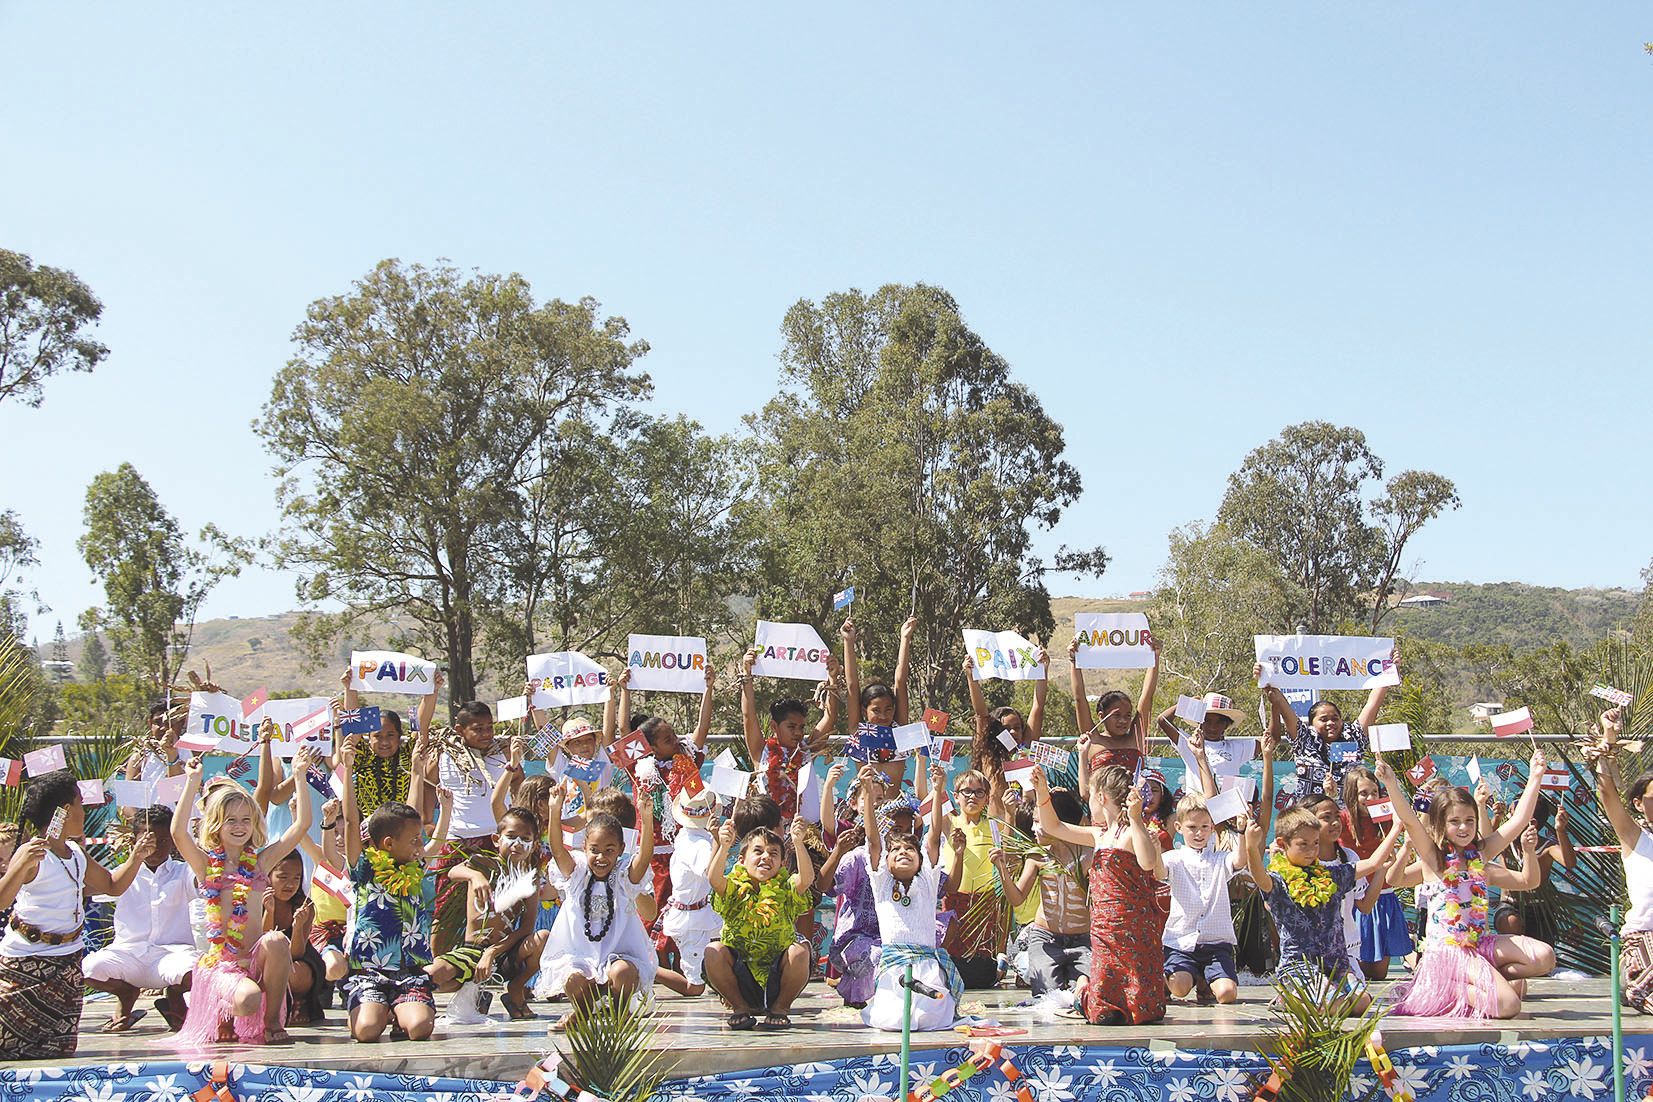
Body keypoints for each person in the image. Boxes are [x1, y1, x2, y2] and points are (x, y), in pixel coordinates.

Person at [1377, 749, 1554, 1019]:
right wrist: (1390, 783)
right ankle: (1449, 990)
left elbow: (1517, 822)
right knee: (1508, 1005)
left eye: (1469, 821)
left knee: (1545, 957)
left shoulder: (1482, 853)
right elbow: (1412, 823)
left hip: (1479, 943)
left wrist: (1536, 776)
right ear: (1440, 824)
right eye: (1455, 822)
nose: (1464, 828)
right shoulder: (1433, 858)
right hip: (1448, 952)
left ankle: (1486, 978)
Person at [171, 737, 317, 1046]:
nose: (240, 826)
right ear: (216, 825)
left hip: (256, 958)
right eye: (231, 821)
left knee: (277, 939)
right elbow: (178, 833)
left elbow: (301, 824)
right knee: (248, 999)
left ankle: (273, 1020)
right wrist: (192, 781)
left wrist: (301, 777)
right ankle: (221, 1008)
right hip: (224, 962)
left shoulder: (261, 862)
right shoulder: (206, 865)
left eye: (246, 820)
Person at [0, 771, 154, 1058]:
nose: (84, 811)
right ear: (67, 811)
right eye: (81, 804)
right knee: (7, 1045)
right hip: (27, 962)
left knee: (57, 1049)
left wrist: (136, 858)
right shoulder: (30, 851)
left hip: (67, 962)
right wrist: (22, 865)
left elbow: (112, 885)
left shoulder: (75, 852)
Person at [1033, 764, 1165, 1026]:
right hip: (1105, 926)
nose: (1089, 804)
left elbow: (1149, 863)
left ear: (1101, 798)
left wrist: (1137, 819)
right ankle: (1090, 993)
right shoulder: (1099, 835)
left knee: (1139, 996)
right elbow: (1054, 827)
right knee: (1103, 1010)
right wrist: (1041, 792)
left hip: (1133, 925)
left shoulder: (1129, 833)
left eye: (1091, 796)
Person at [536, 781, 657, 1030]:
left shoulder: (624, 875)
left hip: (619, 952)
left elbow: (644, 859)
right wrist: (554, 810)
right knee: (573, 980)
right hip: (582, 953)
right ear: (584, 847)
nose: (601, 857)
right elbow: (558, 851)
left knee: (622, 973)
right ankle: (583, 1012)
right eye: (595, 850)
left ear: (621, 849)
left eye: (609, 850)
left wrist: (647, 819)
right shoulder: (578, 873)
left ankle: (620, 1012)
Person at [83, 806, 197, 1032]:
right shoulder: (122, 872)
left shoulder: (184, 871)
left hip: (170, 956)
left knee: (197, 971)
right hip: (129, 955)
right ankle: (126, 993)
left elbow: (202, 882)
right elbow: (88, 888)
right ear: (134, 839)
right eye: (147, 839)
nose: (153, 847)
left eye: (162, 841)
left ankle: (174, 996)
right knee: (88, 969)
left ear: (173, 842)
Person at [1245, 805, 1367, 1013]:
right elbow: (1259, 877)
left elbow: (1371, 864)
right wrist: (1250, 847)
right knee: (1334, 1006)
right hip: (1299, 965)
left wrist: (1398, 830)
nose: (1311, 850)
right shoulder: (1279, 880)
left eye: (1316, 843)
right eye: (1303, 844)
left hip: (1334, 964)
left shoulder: (1328, 875)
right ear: (1283, 844)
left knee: (1361, 1003)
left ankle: (1318, 995)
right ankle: (1291, 997)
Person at [862, 763, 956, 1031]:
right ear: (886, 861)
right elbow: (873, 841)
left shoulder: (927, 881)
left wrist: (937, 791)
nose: (904, 852)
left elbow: (934, 837)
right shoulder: (881, 883)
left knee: (929, 1019)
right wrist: (869, 794)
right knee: (892, 1021)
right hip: (894, 968)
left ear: (920, 860)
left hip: (926, 966)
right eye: (897, 850)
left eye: (910, 849)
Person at [436, 805, 551, 1022]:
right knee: (434, 976)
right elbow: (453, 872)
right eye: (511, 836)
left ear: (534, 845)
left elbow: (526, 928)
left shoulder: (530, 879)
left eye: (525, 839)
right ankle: (474, 990)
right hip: (472, 950)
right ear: (496, 839)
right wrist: (475, 877)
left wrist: (492, 953)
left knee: (542, 937)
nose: (517, 844)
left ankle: (515, 988)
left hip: (504, 953)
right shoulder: (482, 864)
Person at [705, 819, 815, 1030]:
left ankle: (780, 1009)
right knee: (713, 951)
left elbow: (807, 878)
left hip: (778, 977)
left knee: (800, 951)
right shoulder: (733, 887)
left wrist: (798, 843)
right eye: (758, 851)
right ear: (742, 860)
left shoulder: (787, 887)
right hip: (740, 977)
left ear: (782, 863)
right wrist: (723, 845)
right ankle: (740, 1008)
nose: (766, 857)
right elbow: (714, 879)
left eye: (773, 853)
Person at [425, 701, 515, 954]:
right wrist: (426, 820)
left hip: (495, 841)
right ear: (459, 729)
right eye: (478, 729)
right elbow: (424, 782)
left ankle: (489, 964)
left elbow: (518, 782)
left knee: (494, 907)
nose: (487, 734)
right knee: (446, 907)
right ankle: (439, 961)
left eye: (490, 727)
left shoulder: (503, 752)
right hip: (457, 840)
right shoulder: (443, 754)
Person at [1587, 707, 1653, 1015]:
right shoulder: (1635, 836)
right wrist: (1609, 737)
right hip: (1643, 939)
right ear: (1639, 804)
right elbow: (1608, 795)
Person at [999, 785, 1089, 1003]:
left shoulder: (1088, 857)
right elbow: (1017, 898)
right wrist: (1002, 868)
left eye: (1039, 821)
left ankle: (1082, 979)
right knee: (1048, 998)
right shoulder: (1038, 857)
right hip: (1046, 938)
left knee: (1092, 993)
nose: (1033, 827)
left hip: (1083, 940)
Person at [1159, 791, 1246, 1006]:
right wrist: (1152, 845)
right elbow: (1158, 872)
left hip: (1216, 943)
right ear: (1179, 828)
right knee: (1179, 988)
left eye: (1205, 827)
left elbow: (1239, 861)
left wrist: (1243, 833)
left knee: (1227, 994)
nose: (1199, 833)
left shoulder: (1219, 858)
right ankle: (1169, 979)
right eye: (1192, 827)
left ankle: (1207, 980)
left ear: (1212, 828)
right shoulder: (1173, 858)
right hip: (1181, 941)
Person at [738, 647, 839, 819]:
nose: (798, 733)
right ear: (774, 726)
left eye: (801, 727)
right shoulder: (761, 752)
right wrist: (747, 675)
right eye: (791, 727)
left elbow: (829, 719)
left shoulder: (807, 750)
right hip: (767, 832)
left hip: (802, 833)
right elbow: (748, 716)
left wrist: (833, 678)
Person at [1271, 655, 1394, 794]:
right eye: (1323, 719)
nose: (1330, 723)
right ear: (1311, 723)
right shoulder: (1304, 739)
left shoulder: (1354, 737)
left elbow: (1373, 704)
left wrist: (1389, 669)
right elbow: (1281, 703)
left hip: (1348, 813)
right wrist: (1267, 676)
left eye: (1335, 718)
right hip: (1310, 812)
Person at [1340, 766, 1414, 980]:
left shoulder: (1386, 816)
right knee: (1359, 969)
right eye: (1363, 793)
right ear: (1352, 795)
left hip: (1384, 897)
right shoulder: (1343, 819)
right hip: (1357, 899)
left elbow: (1408, 821)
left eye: (1374, 792)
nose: (1370, 797)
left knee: (1379, 974)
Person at [940, 768, 1008, 989]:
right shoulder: (950, 823)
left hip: (984, 901)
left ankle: (992, 971)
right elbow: (928, 797)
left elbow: (1009, 849)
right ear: (956, 796)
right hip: (955, 898)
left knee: (981, 966)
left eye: (979, 792)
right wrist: (935, 780)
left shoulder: (994, 825)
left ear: (987, 798)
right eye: (966, 791)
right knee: (953, 957)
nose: (972, 796)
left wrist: (1012, 812)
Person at [656, 786, 723, 997]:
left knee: (728, 935)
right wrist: (719, 841)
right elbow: (710, 872)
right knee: (694, 988)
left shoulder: (687, 835)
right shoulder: (698, 845)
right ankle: (647, 967)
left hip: (700, 910)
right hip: (691, 917)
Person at [1075, 633, 1162, 783]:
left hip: (1134, 804)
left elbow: (1147, 698)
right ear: (1101, 716)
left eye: (1128, 715)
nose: (1123, 720)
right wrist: (1073, 661)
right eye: (1117, 715)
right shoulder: (1092, 739)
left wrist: (1155, 657)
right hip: (1101, 805)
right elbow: (1079, 699)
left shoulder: (1136, 737)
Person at [842, 617, 917, 789]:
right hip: (864, 810)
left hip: (896, 811)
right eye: (876, 710)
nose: (883, 716)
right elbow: (852, 686)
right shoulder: (857, 731)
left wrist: (905, 638)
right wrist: (848, 640)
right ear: (863, 710)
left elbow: (900, 681)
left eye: (888, 709)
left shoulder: (900, 731)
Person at [264, 850, 328, 1025]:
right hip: (264, 959)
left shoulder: (305, 906)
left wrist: (298, 927)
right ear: (268, 876)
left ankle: (300, 1002)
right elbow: (262, 946)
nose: (290, 884)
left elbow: (297, 954)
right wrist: (269, 912)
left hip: (297, 957)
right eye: (283, 877)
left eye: (296, 878)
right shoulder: (255, 901)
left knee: (296, 972)